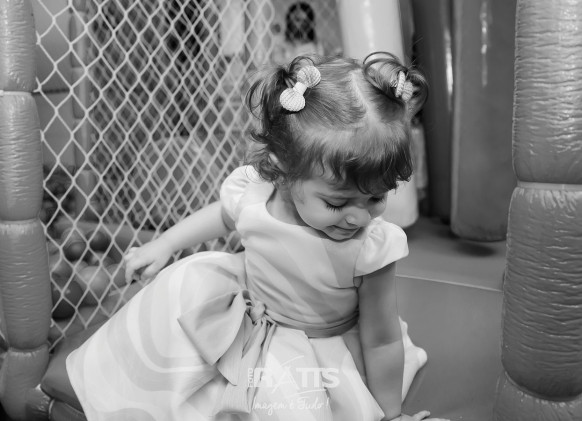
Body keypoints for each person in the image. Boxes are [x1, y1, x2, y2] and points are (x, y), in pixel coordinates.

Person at [66, 52, 447, 421]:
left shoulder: (370, 247)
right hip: (245, 314)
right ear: (283, 173)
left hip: (317, 349)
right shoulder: (257, 196)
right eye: (337, 203)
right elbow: (223, 214)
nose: (359, 217)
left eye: (376, 198)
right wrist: (165, 244)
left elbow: (381, 338)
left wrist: (390, 414)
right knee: (179, 287)